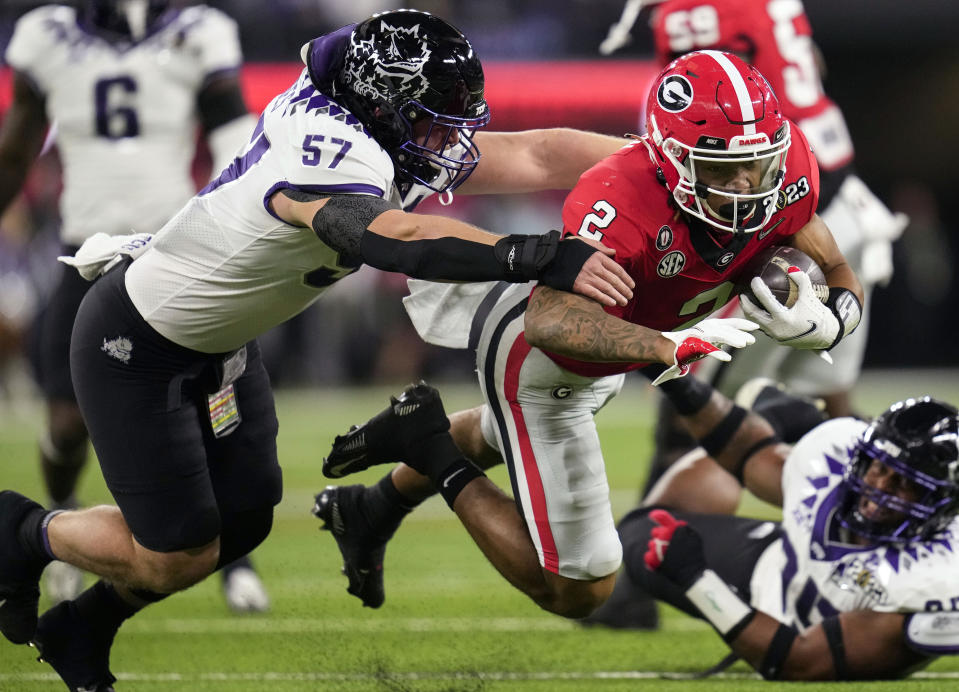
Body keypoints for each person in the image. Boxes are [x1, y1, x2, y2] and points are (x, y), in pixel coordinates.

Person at [0, 9, 636, 690]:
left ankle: (81, 627)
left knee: (244, 519)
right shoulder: (328, 145)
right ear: (382, 102)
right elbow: (390, 236)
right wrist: (535, 254)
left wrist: (660, 163)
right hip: (139, 342)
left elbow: (536, 154)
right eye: (428, 119)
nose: (446, 139)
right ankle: (22, 530)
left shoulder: (375, 119)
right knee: (176, 555)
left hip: (220, 341)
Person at [314, 49, 864, 619]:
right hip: (542, 358)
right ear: (674, 161)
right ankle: (430, 445)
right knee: (581, 588)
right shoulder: (624, 201)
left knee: (497, 434)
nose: (749, 186)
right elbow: (549, 320)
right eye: (722, 169)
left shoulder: (785, 166)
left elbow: (830, 256)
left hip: (617, 348)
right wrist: (663, 348)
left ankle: (371, 508)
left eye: (760, 163)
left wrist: (837, 316)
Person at [0, 0, 270, 612]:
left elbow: (235, 139)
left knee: (215, 409)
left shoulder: (200, 32)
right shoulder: (46, 36)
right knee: (67, 424)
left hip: (172, 253)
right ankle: (63, 526)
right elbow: (15, 154)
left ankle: (238, 558)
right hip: (84, 253)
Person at [601, 0, 909, 496]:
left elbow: (702, 105)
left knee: (694, 405)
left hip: (775, 212)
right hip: (842, 199)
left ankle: (652, 550)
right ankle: (893, 493)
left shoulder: (695, 12)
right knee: (832, 402)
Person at [613, 380, 959, 680]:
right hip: (775, 566)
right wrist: (678, 382)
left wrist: (697, 580)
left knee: (663, 548)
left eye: (902, 482)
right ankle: (784, 417)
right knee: (638, 532)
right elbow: (747, 454)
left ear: (944, 500)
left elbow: (800, 662)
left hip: (791, 625)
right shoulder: (838, 456)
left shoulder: (935, 580)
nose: (878, 489)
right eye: (878, 468)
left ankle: (788, 417)